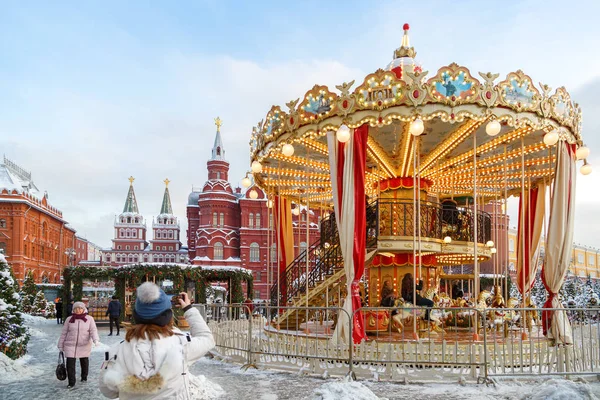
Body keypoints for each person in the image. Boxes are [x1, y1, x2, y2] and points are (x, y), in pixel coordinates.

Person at [99, 282, 215, 399]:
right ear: (168, 315)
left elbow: (109, 392)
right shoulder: (181, 345)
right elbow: (207, 338)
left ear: (136, 315)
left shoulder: (116, 351)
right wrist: (188, 308)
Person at [57, 301, 100, 389]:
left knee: (84, 361)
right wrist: (60, 344)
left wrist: (96, 340)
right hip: (70, 345)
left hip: (84, 344)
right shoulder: (69, 319)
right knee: (70, 364)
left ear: (83, 309)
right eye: (76, 308)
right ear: (73, 309)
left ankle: (84, 376)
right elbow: (64, 333)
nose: (78, 310)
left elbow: (93, 330)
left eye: (80, 308)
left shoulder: (89, 319)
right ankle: (71, 382)